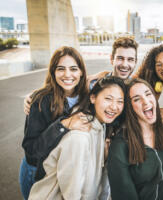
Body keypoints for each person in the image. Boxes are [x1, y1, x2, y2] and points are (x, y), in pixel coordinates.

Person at [28, 76, 126, 200]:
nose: (114, 107)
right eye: (108, 99)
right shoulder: (79, 137)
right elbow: (71, 193)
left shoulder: (101, 126)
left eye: (120, 101)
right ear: (93, 98)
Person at [19, 46, 89, 199]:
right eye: (61, 69)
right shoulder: (41, 100)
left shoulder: (88, 98)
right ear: (53, 72)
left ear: (81, 71)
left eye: (73, 69)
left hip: (65, 171)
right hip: (37, 171)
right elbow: (31, 149)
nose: (67, 75)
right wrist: (63, 125)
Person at [107, 78, 163, 200]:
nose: (146, 101)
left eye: (148, 94)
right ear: (129, 106)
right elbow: (123, 195)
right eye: (137, 99)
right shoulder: (120, 146)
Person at [24, 36, 139, 114]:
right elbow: (67, 88)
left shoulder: (137, 89)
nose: (125, 64)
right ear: (111, 59)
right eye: (120, 58)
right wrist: (35, 96)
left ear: (135, 62)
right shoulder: (93, 84)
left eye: (130, 59)